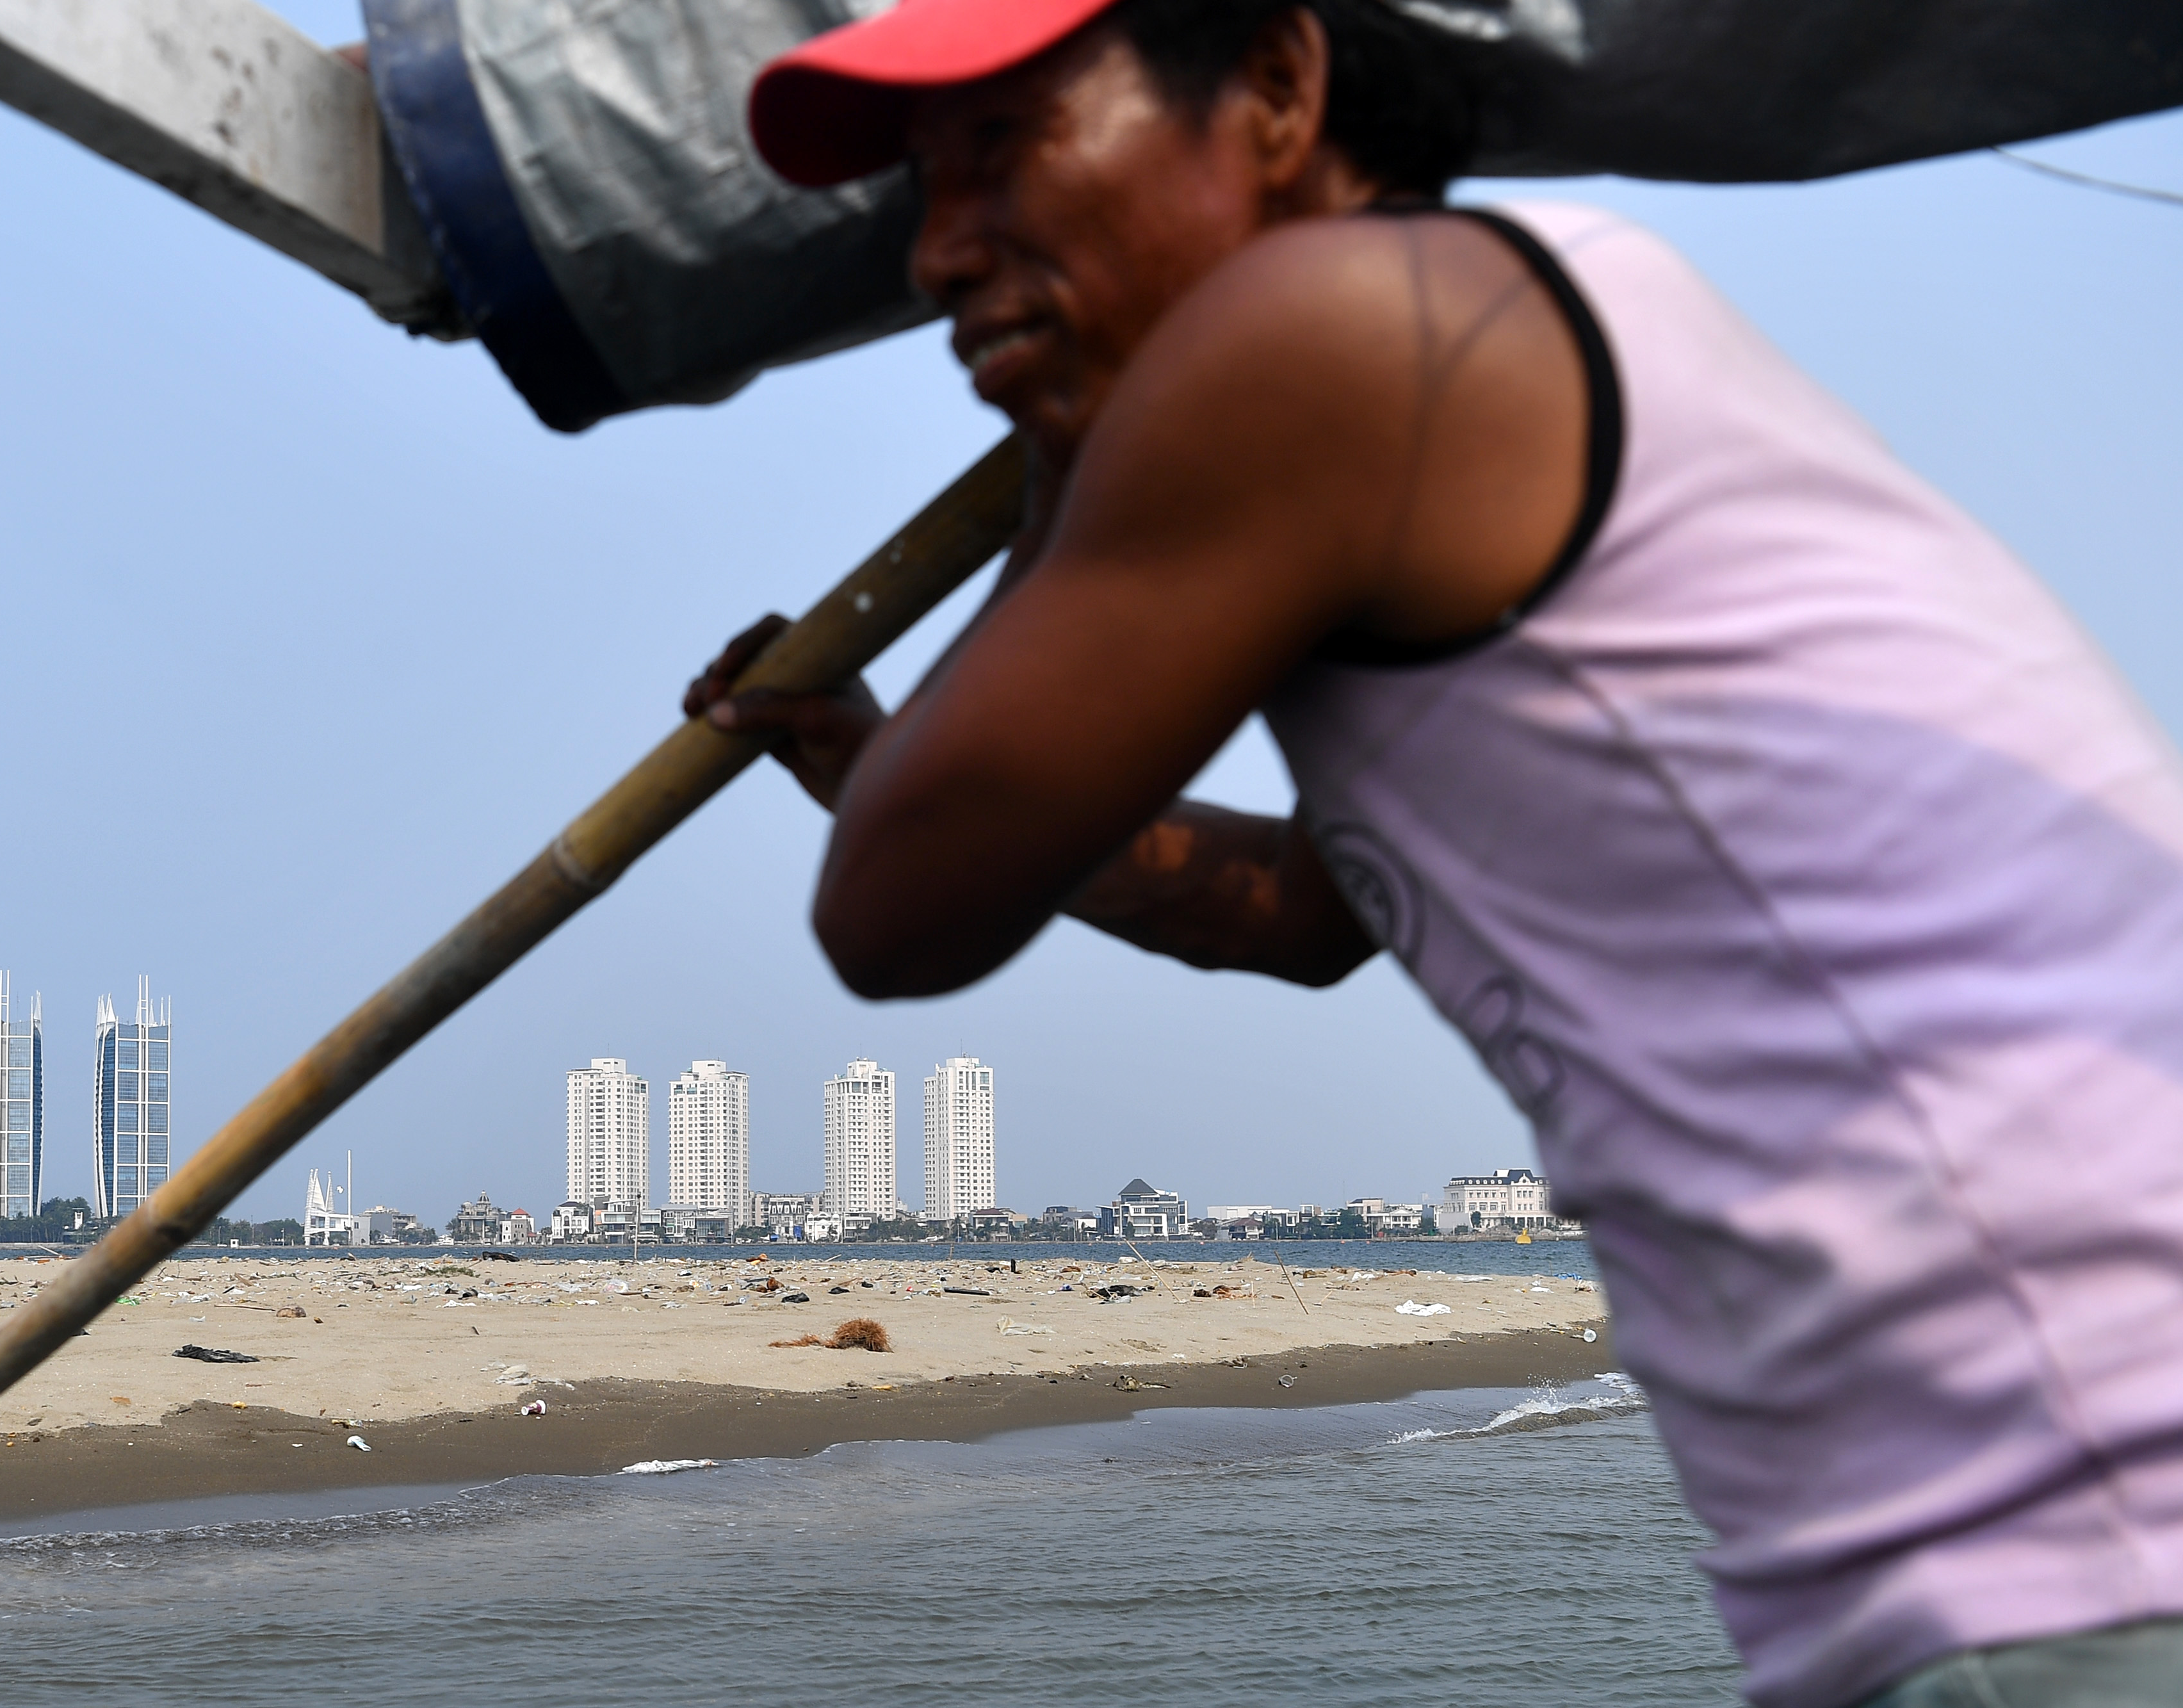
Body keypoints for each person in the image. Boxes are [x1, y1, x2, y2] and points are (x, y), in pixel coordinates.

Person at [679, 0, 2183, 1703]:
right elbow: (1309, 908)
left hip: (2082, 1520)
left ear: (1274, 85)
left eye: (1004, 153)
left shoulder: (1339, 329)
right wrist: (889, 760)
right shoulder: (1487, 326)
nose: (942, 255)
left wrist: (1055, 470)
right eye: (919, 193)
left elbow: (895, 909)